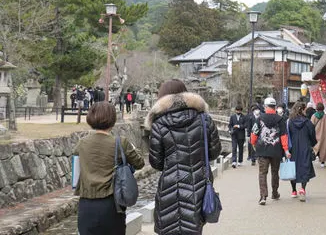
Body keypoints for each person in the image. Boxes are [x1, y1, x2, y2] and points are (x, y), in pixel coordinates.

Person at [146, 79, 222, 235]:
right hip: (198, 185)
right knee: (193, 227)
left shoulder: (158, 124)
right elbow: (214, 152)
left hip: (169, 187)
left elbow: (156, 162)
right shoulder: (204, 119)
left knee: (168, 228)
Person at [74, 102, 145, 235]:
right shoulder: (120, 142)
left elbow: (76, 171)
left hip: (86, 204)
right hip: (112, 204)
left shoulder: (82, 143)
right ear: (112, 120)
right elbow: (140, 163)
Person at [251, 97, 291, 206]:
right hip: (276, 150)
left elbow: (254, 133)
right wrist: (286, 150)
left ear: (265, 106)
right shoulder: (280, 119)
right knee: (275, 172)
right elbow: (283, 136)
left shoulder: (259, 118)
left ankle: (263, 196)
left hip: (262, 149)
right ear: (275, 107)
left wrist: (254, 144)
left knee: (262, 173)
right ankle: (275, 193)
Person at [287, 102, 317, 202]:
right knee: (305, 167)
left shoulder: (290, 121)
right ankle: (303, 189)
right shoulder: (307, 122)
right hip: (305, 147)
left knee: (293, 168)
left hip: (293, 148)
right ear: (303, 109)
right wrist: (312, 144)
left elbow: (287, 135)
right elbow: (312, 135)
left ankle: (293, 190)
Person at [311, 102, 326, 168]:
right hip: (324, 135)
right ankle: (322, 163)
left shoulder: (314, 116)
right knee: (323, 148)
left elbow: (311, 126)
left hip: (316, 134)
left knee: (316, 147)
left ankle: (314, 158)